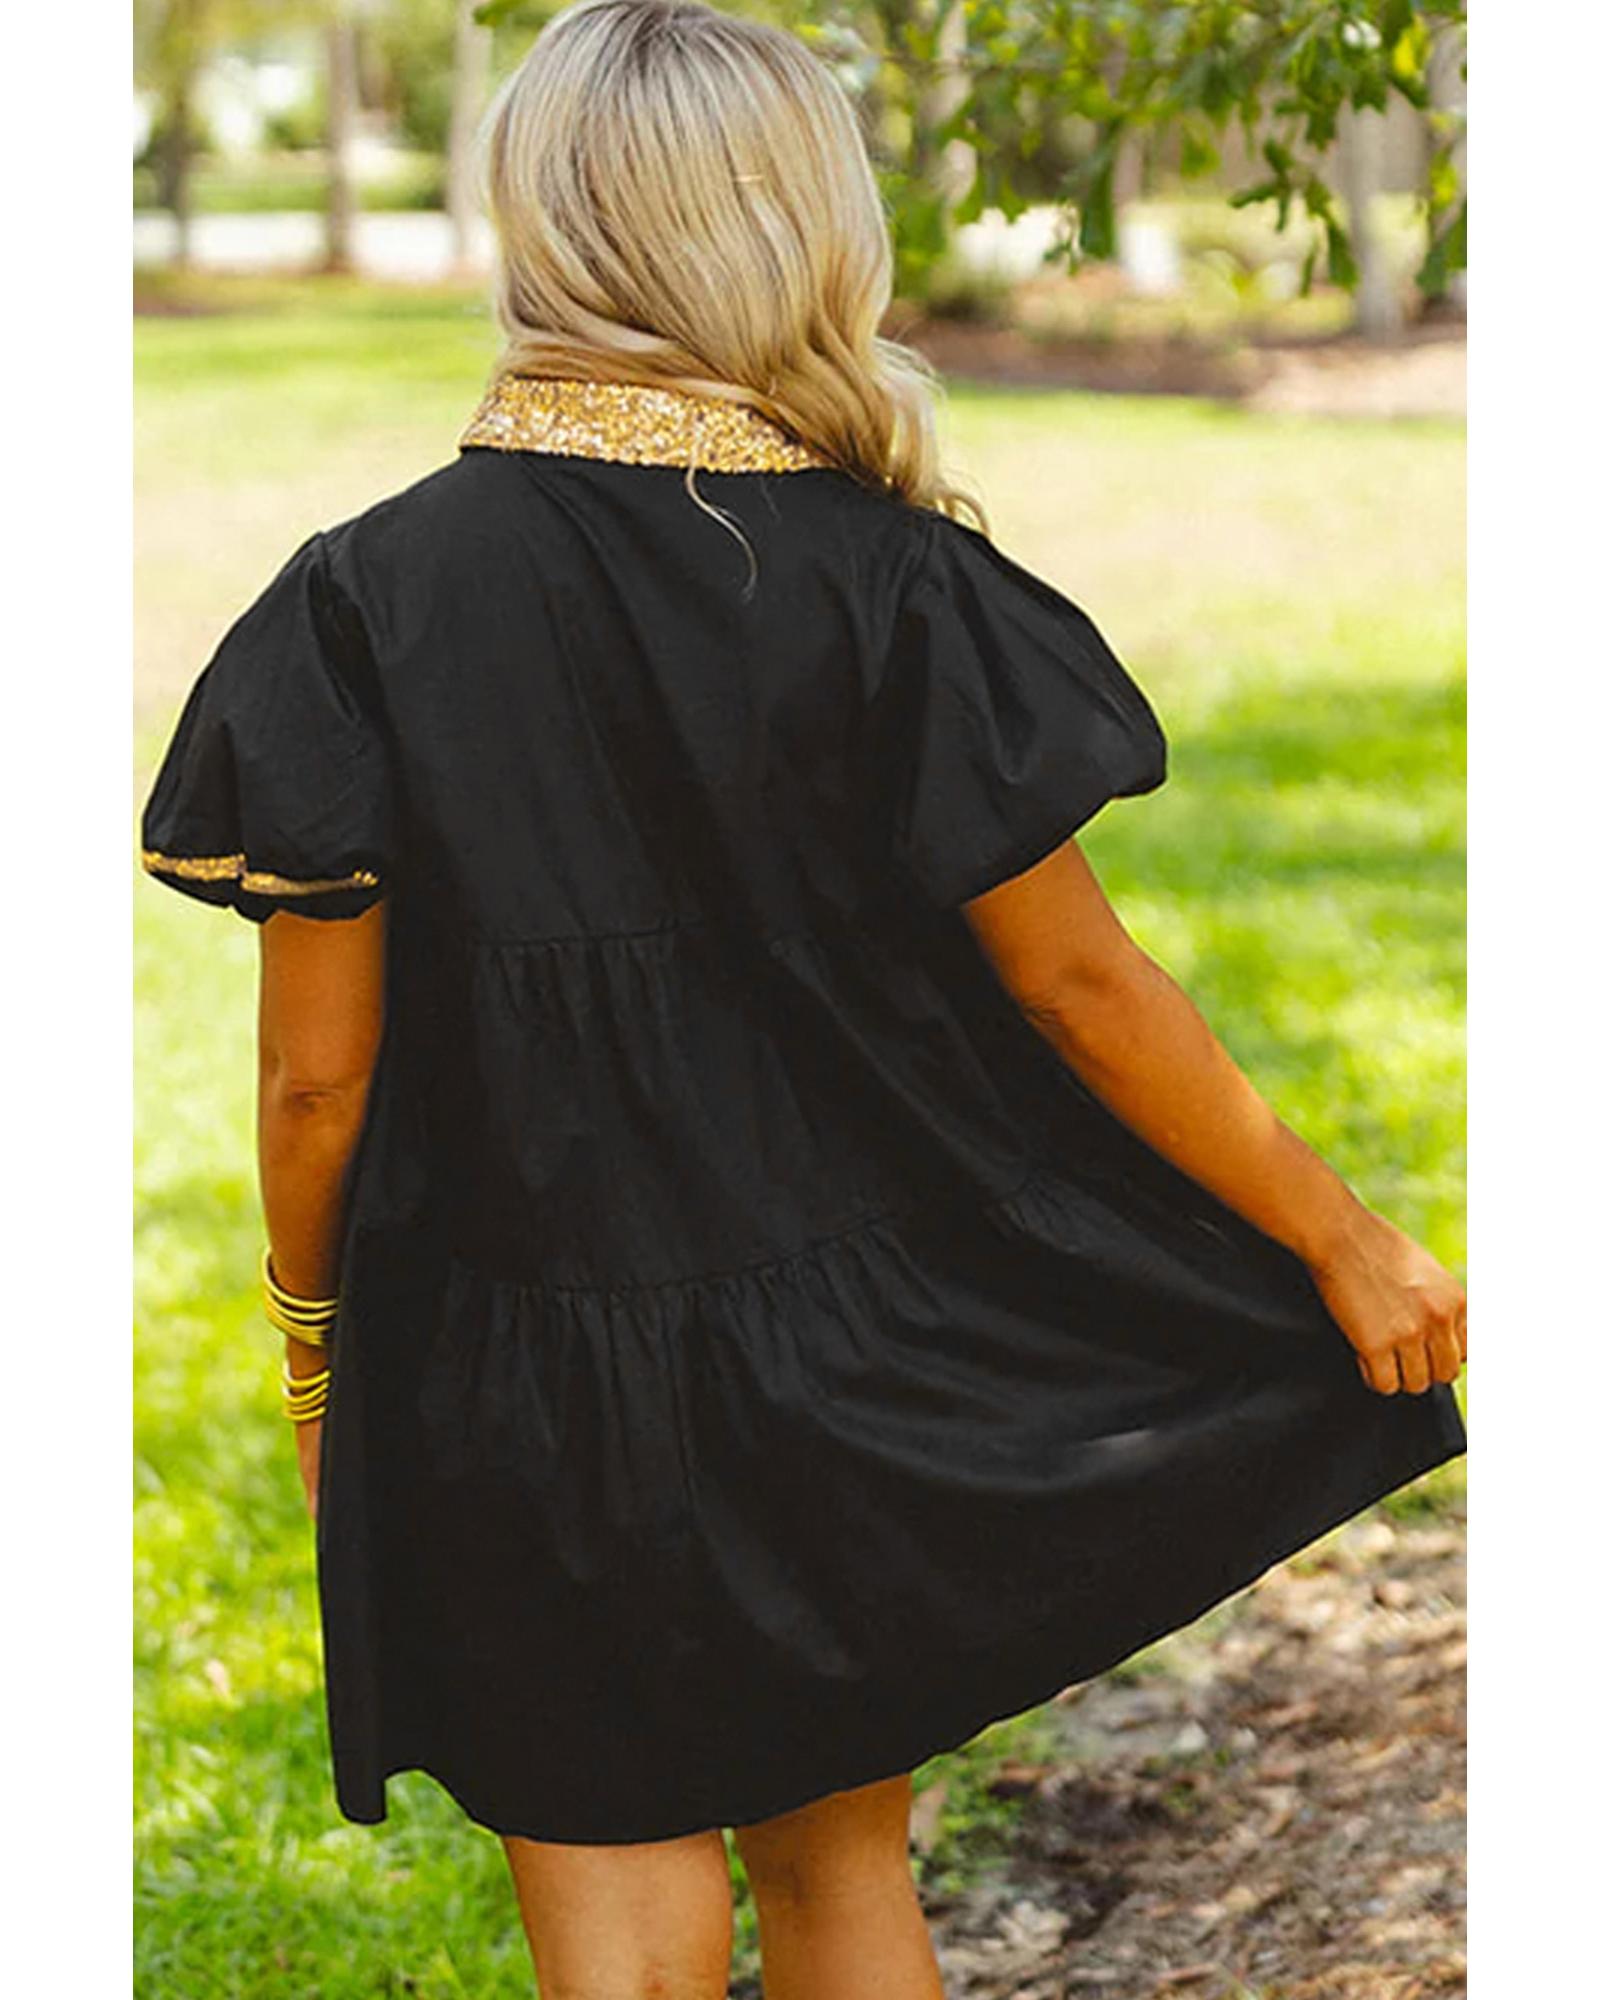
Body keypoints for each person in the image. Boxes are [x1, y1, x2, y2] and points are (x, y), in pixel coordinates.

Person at [137, 2, 1466, 1994]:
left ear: (541, 223)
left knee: (615, 1903)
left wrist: (321, 1353)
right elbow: (1081, 988)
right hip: (842, 1351)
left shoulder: (361, 601)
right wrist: (1336, 1236)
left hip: (511, 1354)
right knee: (845, 1874)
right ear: (800, 226)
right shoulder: (890, 579)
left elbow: (315, 1088)